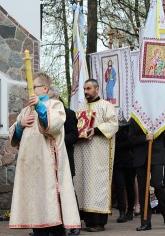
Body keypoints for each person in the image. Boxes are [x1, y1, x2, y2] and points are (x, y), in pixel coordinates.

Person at [9, 72, 80, 236]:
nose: (30, 91)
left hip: (49, 164)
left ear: (45, 88)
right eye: (28, 88)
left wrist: (40, 107)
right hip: (30, 165)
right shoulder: (25, 110)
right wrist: (20, 125)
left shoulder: (55, 106)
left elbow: (53, 125)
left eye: (33, 88)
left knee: (52, 208)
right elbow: (16, 137)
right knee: (36, 210)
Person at [73, 79, 119, 232]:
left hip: (99, 153)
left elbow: (114, 124)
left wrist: (97, 130)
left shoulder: (106, 105)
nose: (86, 91)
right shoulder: (81, 106)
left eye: (89, 88)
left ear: (97, 89)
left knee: (96, 184)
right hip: (82, 152)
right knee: (82, 183)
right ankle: (86, 220)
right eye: (85, 89)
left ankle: (98, 223)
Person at [128, 118, 165, 231]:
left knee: (157, 185)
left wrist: (157, 130)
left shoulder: (158, 115)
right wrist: (145, 138)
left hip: (157, 155)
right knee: (143, 190)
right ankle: (146, 221)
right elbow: (131, 138)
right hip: (141, 158)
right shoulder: (135, 117)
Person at [48, 85, 80, 235]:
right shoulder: (44, 114)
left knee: (67, 191)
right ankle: (49, 225)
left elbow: (74, 135)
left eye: (48, 98)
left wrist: (56, 143)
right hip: (48, 161)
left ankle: (74, 225)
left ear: (55, 97)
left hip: (65, 158)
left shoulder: (68, 113)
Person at [112, 121, 136, 223]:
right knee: (119, 186)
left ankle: (130, 210)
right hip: (117, 161)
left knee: (130, 186)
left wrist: (117, 145)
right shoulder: (113, 124)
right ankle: (122, 211)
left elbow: (132, 142)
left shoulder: (131, 125)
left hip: (129, 161)